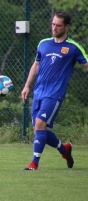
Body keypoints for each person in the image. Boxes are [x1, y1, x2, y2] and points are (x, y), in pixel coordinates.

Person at [21, 11, 88, 170]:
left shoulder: (73, 47)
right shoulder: (43, 43)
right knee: (39, 130)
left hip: (54, 93)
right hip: (39, 92)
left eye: (58, 25)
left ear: (67, 26)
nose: (54, 28)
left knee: (39, 124)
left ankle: (34, 163)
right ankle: (64, 149)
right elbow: (36, 65)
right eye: (53, 24)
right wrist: (27, 86)